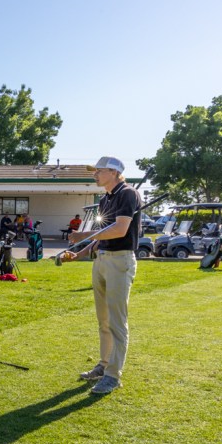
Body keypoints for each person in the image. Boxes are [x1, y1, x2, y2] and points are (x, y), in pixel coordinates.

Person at [61, 156, 142, 395]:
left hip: (120, 261)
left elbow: (119, 229)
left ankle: (113, 376)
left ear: (115, 172)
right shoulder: (105, 199)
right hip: (102, 260)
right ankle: (104, 364)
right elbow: (102, 237)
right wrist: (81, 252)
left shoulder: (127, 193)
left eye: (99, 171)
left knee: (117, 322)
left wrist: (83, 235)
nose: (94, 175)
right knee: (103, 320)